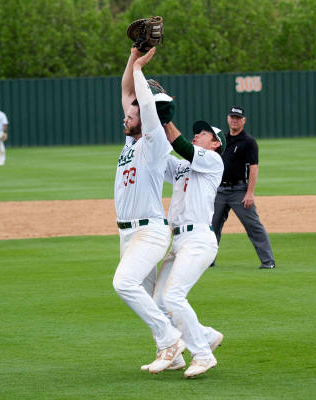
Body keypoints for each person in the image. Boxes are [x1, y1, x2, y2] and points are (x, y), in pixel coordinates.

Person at [111, 47, 185, 375]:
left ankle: (171, 340)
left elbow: (140, 99)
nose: (125, 117)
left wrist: (141, 68)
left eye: (132, 115)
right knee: (148, 295)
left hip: (149, 230)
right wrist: (132, 57)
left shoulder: (154, 141)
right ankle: (175, 354)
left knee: (123, 283)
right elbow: (127, 92)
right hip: (128, 233)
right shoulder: (132, 141)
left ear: (146, 116)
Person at [141, 120, 226, 378]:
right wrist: (150, 122)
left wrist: (166, 120)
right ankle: (193, 343)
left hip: (198, 239)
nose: (197, 135)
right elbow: (159, 155)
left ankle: (203, 354)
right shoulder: (183, 166)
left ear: (215, 143)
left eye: (203, 133)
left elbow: (183, 147)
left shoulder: (213, 161)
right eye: (196, 132)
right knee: (157, 302)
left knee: (174, 296)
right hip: (178, 241)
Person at [211, 106, 276, 270]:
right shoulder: (222, 139)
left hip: (239, 191)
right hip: (220, 191)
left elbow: (254, 167)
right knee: (212, 226)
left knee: (253, 226)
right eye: (232, 117)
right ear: (228, 119)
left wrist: (250, 193)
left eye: (238, 118)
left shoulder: (248, 141)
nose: (235, 120)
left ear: (244, 120)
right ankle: (208, 260)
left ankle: (268, 261)